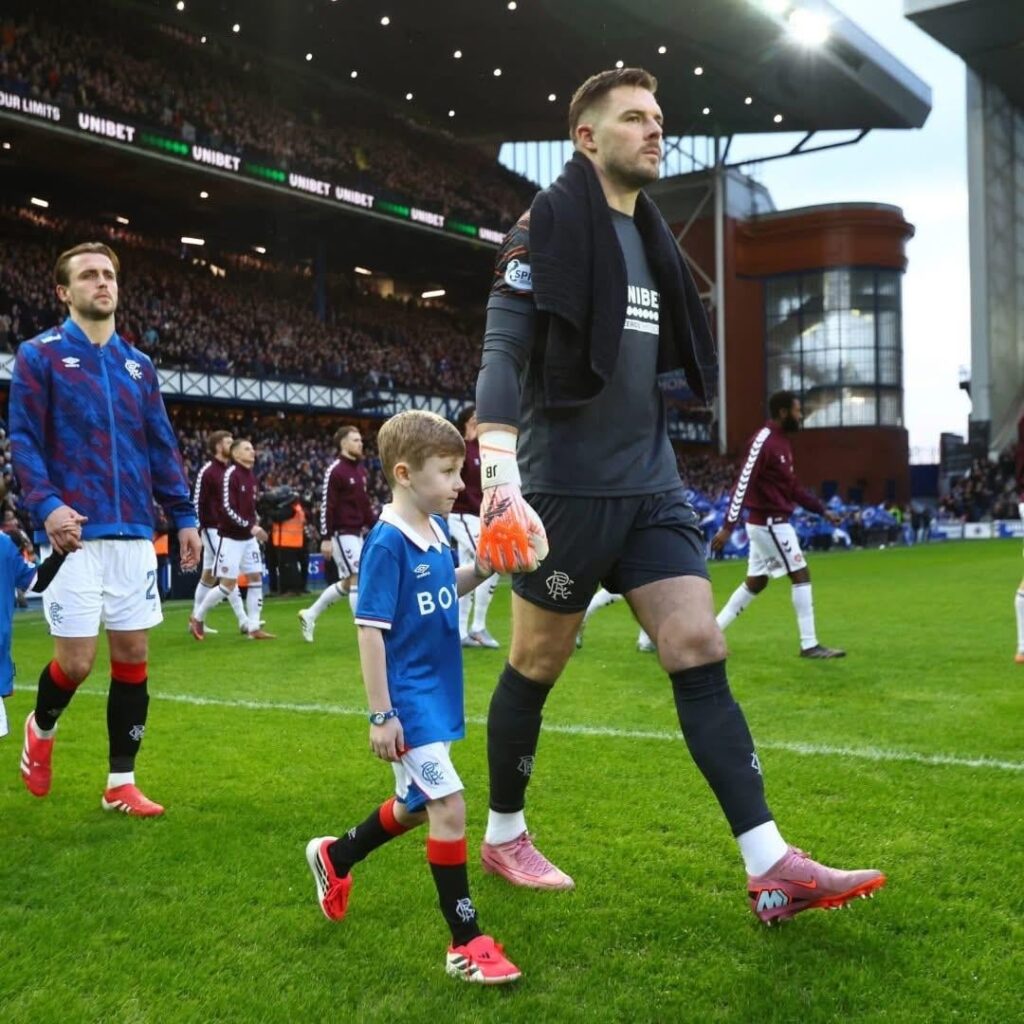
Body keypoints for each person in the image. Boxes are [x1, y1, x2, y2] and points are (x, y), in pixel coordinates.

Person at [471, 68, 884, 922]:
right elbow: (503, 350)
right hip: (565, 492)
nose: (655, 130)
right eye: (634, 118)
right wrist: (499, 477)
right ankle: (505, 830)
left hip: (652, 485)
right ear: (587, 138)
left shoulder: (654, 238)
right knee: (537, 664)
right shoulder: (543, 228)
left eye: (659, 118)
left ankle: (770, 864)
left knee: (698, 641)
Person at [304, 410, 520, 983]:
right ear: (404, 473)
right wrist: (382, 714)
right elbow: (369, 629)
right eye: (448, 473)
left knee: (419, 805)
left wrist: (484, 567)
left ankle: (336, 856)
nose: (459, 484)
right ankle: (464, 942)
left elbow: (446, 587)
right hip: (407, 702)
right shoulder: (386, 543)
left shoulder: (436, 529)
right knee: (449, 807)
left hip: (438, 692)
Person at [10, 240, 201, 816]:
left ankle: (121, 781)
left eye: (109, 274)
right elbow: (23, 440)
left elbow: (161, 445)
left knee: (134, 654)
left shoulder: (138, 366)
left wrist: (184, 514)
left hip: (136, 532)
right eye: (89, 275)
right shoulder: (38, 354)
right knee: (75, 664)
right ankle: (40, 728)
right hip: (72, 531)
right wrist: (46, 507)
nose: (102, 282)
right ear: (64, 291)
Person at [711, 391, 845, 659]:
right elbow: (742, 483)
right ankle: (809, 645)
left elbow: (792, 487)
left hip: (770, 523)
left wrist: (822, 511)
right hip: (769, 524)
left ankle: (710, 633)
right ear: (783, 412)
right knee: (801, 574)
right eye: (797, 411)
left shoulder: (782, 442)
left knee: (756, 582)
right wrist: (728, 526)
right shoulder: (763, 441)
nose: (801, 415)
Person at [190, 438, 275, 640]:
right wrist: (250, 526)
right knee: (227, 583)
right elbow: (226, 509)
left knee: (256, 577)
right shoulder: (230, 475)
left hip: (247, 538)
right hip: (230, 538)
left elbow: (248, 507)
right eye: (247, 449)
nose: (252, 452)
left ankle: (253, 627)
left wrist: (254, 521)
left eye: (253, 448)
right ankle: (198, 616)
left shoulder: (250, 476)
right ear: (236, 454)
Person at [298, 426, 376, 643]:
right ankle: (365, 631)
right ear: (343, 443)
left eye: (361, 439)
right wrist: (325, 537)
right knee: (357, 577)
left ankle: (310, 614)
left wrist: (376, 526)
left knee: (347, 583)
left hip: (357, 532)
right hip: (342, 533)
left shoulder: (360, 470)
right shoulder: (336, 470)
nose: (361, 443)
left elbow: (364, 505)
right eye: (355, 440)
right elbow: (327, 505)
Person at [448, 406, 500, 648]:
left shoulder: (484, 449)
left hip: (479, 515)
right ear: (469, 421)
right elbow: (461, 486)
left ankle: (459, 632)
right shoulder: (460, 449)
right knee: (494, 560)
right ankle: (478, 626)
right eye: (478, 417)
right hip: (462, 515)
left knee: (471, 569)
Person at [189, 429, 248, 636]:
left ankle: (196, 619)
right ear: (217, 446)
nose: (232, 445)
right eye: (228, 442)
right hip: (214, 528)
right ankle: (243, 620)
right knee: (227, 572)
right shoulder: (208, 471)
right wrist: (198, 527)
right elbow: (198, 501)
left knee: (208, 575)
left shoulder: (232, 471)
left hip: (224, 528)